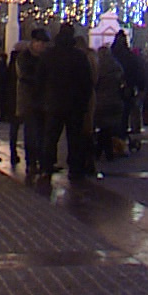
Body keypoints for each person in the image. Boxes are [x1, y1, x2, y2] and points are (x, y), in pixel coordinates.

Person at [37, 23, 94, 182]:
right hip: (74, 104)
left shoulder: (49, 55)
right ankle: (75, 169)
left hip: (53, 103)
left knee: (51, 137)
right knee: (75, 138)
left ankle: (46, 167)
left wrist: (43, 99)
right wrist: (84, 103)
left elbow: (39, 79)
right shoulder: (79, 56)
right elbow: (87, 82)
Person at [16, 29, 49, 177]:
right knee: (31, 132)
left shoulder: (46, 58)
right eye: (40, 43)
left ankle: (42, 161)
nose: (43, 46)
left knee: (42, 133)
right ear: (34, 43)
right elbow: (26, 76)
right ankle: (31, 162)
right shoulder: (24, 57)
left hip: (44, 101)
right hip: (30, 100)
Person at [93, 45, 126, 162]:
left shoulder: (98, 66)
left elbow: (94, 82)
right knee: (107, 128)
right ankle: (106, 152)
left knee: (103, 128)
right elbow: (122, 82)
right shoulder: (116, 66)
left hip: (100, 101)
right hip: (114, 100)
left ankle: (101, 152)